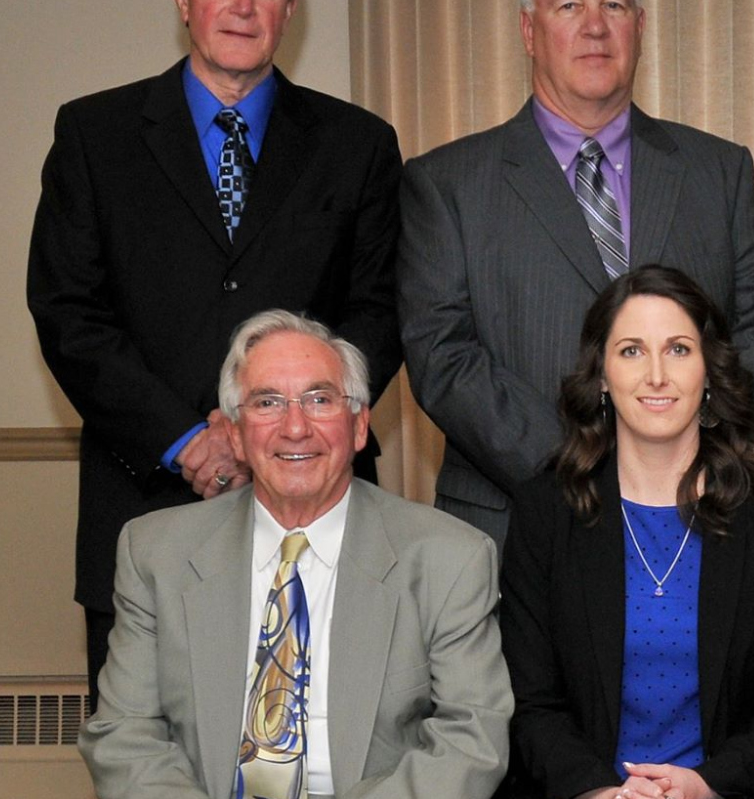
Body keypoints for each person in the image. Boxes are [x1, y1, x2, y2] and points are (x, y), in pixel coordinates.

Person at [27, 0, 403, 707]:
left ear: (293, 4)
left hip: (322, 508)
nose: (243, 4)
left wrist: (275, 427)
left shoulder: (359, 146)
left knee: (326, 756)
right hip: (146, 503)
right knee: (148, 764)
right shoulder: (95, 136)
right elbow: (68, 313)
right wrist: (185, 438)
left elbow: (379, 311)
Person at [400, 0, 754, 550]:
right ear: (530, 31)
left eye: (612, 5)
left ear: (639, 24)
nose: (595, 26)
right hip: (518, 518)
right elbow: (443, 354)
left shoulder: (718, 171)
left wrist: (683, 452)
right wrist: (585, 465)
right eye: (569, 6)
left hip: (696, 513)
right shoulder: (446, 184)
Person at [79, 310, 510, 799]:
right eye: (267, 402)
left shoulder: (449, 558)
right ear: (236, 434)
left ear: (360, 425)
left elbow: (472, 738)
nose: (295, 427)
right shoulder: (156, 553)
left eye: (319, 399)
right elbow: (125, 735)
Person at [500, 265, 754, 799]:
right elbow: (529, 702)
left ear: (710, 371)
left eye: (678, 349)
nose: (657, 374)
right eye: (631, 351)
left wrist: (706, 786)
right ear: (602, 375)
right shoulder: (546, 510)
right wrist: (600, 792)